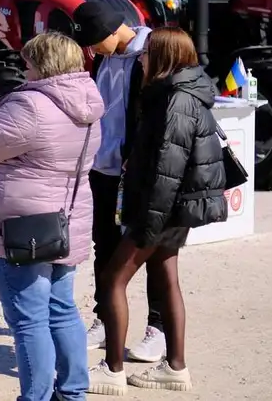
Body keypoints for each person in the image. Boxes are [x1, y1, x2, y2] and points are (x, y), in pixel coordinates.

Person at [0, 32, 105, 401]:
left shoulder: (31, 104)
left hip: (23, 226)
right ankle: (72, 393)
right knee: (62, 309)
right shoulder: (88, 100)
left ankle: (35, 397)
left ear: (44, 64)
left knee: (29, 320)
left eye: (28, 61)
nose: (24, 68)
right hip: (66, 220)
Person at [87, 27, 227, 395]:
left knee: (113, 280)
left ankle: (112, 369)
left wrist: (147, 220)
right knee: (167, 281)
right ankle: (174, 367)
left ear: (164, 57)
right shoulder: (175, 93)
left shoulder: (176, 100)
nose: (142, 58)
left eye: (148, 52)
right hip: (170, 210)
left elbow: (168, 169)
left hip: (160, 210)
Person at [70, 0, 168, 362]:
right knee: (104, 246)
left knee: (151, 251)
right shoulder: (104, 59)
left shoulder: (153, 54)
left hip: (138, 172)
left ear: (114, 32)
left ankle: (158, 328)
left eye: (95, 42)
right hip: (103, 169)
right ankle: (104, 317)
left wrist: (138, 155)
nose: (91, 50)